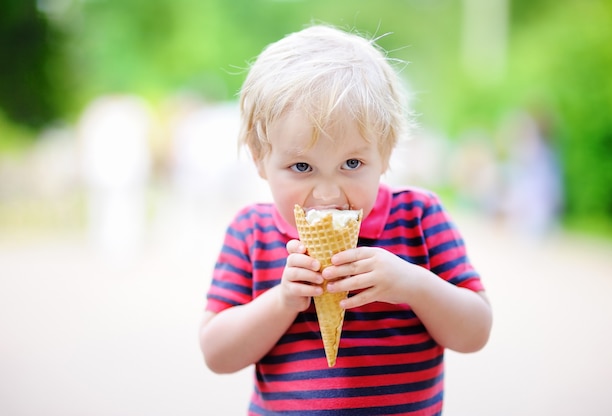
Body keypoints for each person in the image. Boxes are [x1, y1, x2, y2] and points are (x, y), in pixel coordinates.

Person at [198, 25, 492, 415]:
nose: (327, 194)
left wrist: (413, 284)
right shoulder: (251, 233)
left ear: (385, 153)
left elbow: (475, 332)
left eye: (352, 164)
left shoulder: (419, 218)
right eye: (301, 166)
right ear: (259, 159)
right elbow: (218, 354)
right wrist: (282, 301)